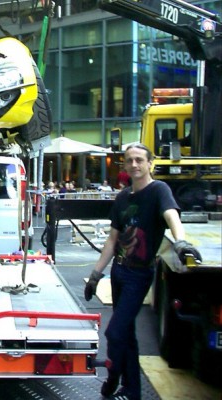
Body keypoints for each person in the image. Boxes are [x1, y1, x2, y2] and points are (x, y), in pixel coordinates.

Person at [84, 143, 202, 400]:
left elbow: (171, 215)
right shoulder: (123, 197)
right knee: (126, 333)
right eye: (129, 160)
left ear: (150, 163)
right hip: (119, 272)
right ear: (125, 166)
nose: (134, 164)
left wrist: (180, 241)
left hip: (139, 275)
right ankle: (132, 390)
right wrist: (95, 275)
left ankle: (114, 376)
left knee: (114, 332)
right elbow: (112, 241)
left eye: (139, 160)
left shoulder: (159, 190)